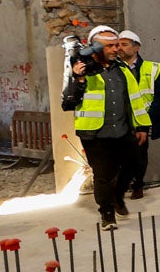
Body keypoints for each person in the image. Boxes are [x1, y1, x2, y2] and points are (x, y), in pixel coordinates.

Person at [61, 25, 150, 230]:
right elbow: (68, 103)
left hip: (122, 130)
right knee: (103, 174)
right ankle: (107, 214)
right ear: (95, 48)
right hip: (94, 133)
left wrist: (142, 126)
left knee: (135, 165)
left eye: (118, 45)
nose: (116, 49)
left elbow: (135, 99)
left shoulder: (122, 68)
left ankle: (118, 196)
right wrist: (79, 79)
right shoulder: (82, 68)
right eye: (110, 46)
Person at [114, 29, 160, 199]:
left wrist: (146, 122)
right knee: (118, 156)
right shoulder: (114, 69)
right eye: (118, 45)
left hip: (142, 121)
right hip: (121, 121)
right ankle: (119, 187)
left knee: (139, 156)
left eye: (124, 45)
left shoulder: (152, 68)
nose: (119, 48)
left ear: (136, 47)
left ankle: (137, 185)